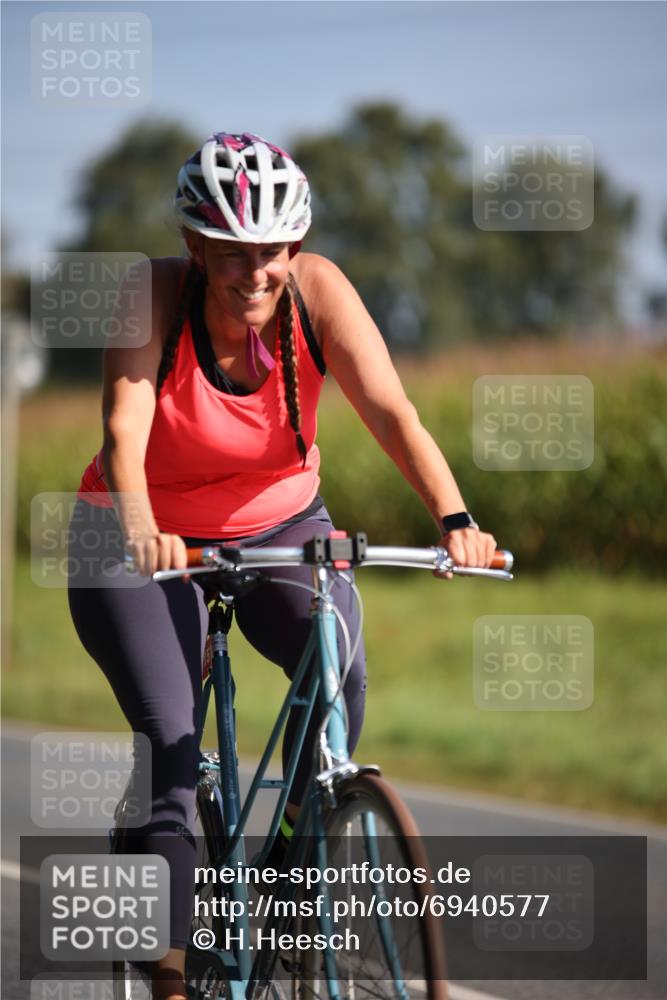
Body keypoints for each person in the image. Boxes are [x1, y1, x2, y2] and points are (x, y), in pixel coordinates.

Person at [67, 131, 497, 1000]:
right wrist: (146, 530)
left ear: (293, 246)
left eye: (270, 251)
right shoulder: (149, 295)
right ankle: (172, 976)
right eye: (232, 253)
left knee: (341, 674)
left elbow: (392, 412)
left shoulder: (318, 293)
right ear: (196, 248)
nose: (254, 272)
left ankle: (291, 874)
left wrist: (455, 518)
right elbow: (123, 431)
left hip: (278, 529)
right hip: (137, 538)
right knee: (171, 753)